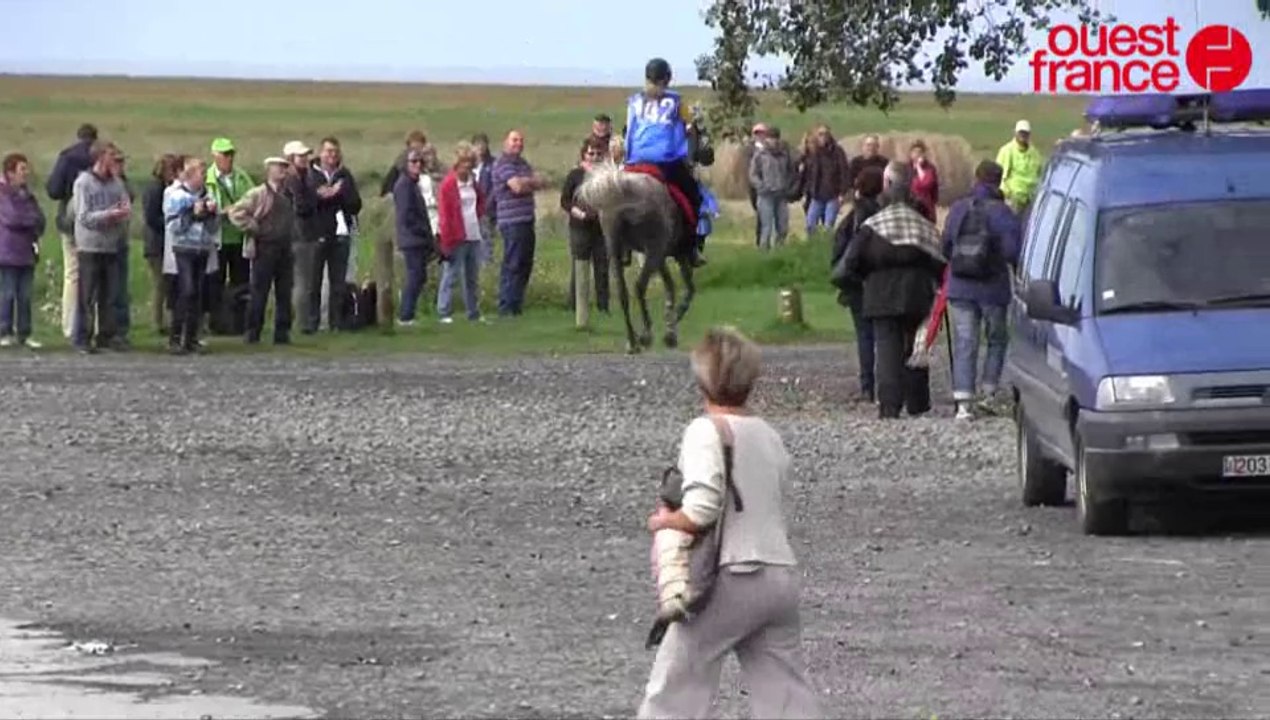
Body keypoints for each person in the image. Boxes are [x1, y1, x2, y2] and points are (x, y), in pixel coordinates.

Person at [639, 326, 822, 720]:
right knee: (784, 692)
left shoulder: (705, 430)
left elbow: (703, 508)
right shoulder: (769, 435)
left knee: (677, 683)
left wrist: (666, 521)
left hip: (733, 572)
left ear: (702, 380)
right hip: (779, 574)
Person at [842, 161, 946, 420]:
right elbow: (939, 261)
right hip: (917, 293)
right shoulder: (922, 224)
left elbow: (851, 261)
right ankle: (917, 403)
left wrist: (863, 279)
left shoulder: (874, 225)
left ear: (887, 186)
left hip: (881, 293)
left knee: (887, 348)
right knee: (915, 346)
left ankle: (890, 405)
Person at [941, 160, 1022, 420]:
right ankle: (989, 392)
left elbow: (945, 246)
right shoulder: (1003, 213)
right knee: (997, 339)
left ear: (976, 178)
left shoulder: (957, 208)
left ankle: (963, 400)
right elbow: (1013, 251)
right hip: (993, 288)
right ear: (999, 182)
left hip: (960, 286)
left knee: (966, 341)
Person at [623, 57, 705, 266]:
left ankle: (622, 245)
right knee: (693, 195)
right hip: (665, 160)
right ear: (667, 79)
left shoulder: (633, 101)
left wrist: (627, 160)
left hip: (635, 160)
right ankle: (691, 247)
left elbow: (630, 131)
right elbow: (690, 127)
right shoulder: (677, 101)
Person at [227, 157, 303, 345]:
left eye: (285, 168)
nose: (283, 171)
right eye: (279, 168)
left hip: (285, 247)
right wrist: (252, 226)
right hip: (264, 247)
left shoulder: (289, 194)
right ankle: (253, 332)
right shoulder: (258, 193)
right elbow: (236, 212)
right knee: (259, 291)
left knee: (284, 292)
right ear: (269, 170)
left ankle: (282, 332)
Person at [70, 140, 132, 354]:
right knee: (87, 295)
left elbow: (125, 205)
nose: (114, 161)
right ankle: (82, 337)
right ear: (99, 158)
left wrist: (122, 214)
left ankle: (106, 335)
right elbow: (84, 216)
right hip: (90, 246)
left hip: (112, 245)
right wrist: (109, 215)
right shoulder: (83, 183)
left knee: (110, 295)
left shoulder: (117, 183)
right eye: (110, 156)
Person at [830, 166, 885, 404]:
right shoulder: (886, 215)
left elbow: (838, 251)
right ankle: (888, 383)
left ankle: (867, 387)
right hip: (883, 282)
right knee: (886, 336)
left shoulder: (852, 219)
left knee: (864, 336)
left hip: (856, 285)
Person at [303, 136, 362, 333]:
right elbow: (311, 201)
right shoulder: (312, 175)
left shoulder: (345, 175)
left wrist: (336, 194)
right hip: (319, 233)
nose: (332, 155)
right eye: (328, 151)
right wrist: (327, 196)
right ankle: (312, 321)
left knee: (338, 282)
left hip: (342, 233)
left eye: (335, 151)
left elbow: (355, 204)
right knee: (314, 281)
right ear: (321, 153)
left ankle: (336, 322)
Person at [162, 156, 220, 355]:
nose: (204, 177)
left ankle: (192, 338)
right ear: (191, 175)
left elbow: (214, 227)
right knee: (186, 291)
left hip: (202, 248)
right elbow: (173, 227)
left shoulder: (209, 195)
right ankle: (175, 337)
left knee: (198, 293)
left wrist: (211, 214)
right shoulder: (176, 196)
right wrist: (191, 214)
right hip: (184, 248)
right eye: (201, 173)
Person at [46, 123, 97, 339]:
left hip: (70, 219)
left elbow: (53, 190)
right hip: (96, 223)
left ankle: (69, 325)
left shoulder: (67, 157)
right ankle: (93, 326)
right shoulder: (98, 155)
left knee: (72, 274)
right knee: (96, 276)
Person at [491, 129, 547, 318]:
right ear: (505, 142)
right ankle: (506, 306)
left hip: (526, 219)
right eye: (514, 140)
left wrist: (527, 182)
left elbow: (540, 182)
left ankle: (517, 304)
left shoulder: (522, 164)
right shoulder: (502, 164)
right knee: (513, 263)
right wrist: (529, 182)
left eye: (521, 140)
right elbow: (517, 186)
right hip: (511, 221)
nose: (518, 144)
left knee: (525, 263)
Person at [204, 137, 255, 335]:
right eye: (225, 154)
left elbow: (252, 198)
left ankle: (239, 323)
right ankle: (217, 322)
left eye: (231, 154)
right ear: (215, 156)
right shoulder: (207, 177)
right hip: (216, 238)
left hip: (238, 237)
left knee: (241, 282)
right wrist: (221, 212)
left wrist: (240, 210)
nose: (229, 158)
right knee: (215, 282)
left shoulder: (242, 177)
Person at [435, 143, 486, 324]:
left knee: (472, 277)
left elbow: (480, 201)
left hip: (473, 232)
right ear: (457, 162)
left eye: (470, 162)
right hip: (456, 235)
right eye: (464, 161)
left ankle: (473, 311)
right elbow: (445, 214)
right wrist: (447, 240)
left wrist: (478, 215)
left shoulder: (473, 181)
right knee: (451, 274)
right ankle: (443, 311)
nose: (467, 165)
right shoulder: (449, 184)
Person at [0, 153, 47, 349]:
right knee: (8, 294)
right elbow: (12, 219)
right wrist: (30, 221)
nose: (26, 173)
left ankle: (24, 333)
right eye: (22, 169)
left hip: (26, 251)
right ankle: (5, 330)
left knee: (25, 295)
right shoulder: (3, 195)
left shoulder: (28, 196)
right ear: (10, 173)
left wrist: (30, 222)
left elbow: (40, 219)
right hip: (7, 252)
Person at [561, 139, 609, 323]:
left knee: (602, 267)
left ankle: (603, 306)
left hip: (601, 227)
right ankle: (575, 305)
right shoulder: (575, 175)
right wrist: (579, 213)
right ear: (584, 154)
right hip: (580, 226)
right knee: (579, 265)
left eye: (598, 154)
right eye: (591, 153)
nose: (594, 157)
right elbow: (565, 200)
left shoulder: (606, 175)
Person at [392, 148, 436, 326]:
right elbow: (406, 216)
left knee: (419, 276)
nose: (418, 165)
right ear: (405, 164)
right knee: (415, 276)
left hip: (417, 238)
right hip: (411, 238)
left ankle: (408, 312)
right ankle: (405, 315)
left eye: (420, 162)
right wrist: (424, 231)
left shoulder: (412, 184)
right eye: (413, 162)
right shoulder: (403, 185)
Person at [142, 153, 183, 335]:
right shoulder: (155, 189)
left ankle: (167, 319)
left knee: (167, 283)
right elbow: (151, 217)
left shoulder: (164, 188)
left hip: (163, 242)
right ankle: (158, 322)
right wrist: (171, 223)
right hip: (156, 244)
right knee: (160, 283)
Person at [748, 127, 794, 250]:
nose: (773, 141)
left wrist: (787, 185)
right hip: (765, 196)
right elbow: (753, 174)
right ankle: (764, 254)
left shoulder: (785, 154)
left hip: (781, 195)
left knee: (783, 228)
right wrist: (761, 186)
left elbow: (791, 171)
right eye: (770, 139)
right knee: (766, 228)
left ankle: (779, 252)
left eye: (775, 139)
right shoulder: (760, 155)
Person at [801, 124, 849, 234]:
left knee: (828, 226)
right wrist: (806, 191)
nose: (823, 137)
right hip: (817, 195)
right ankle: (812, 246)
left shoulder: (837, 152)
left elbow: (844, 172)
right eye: (820, 134)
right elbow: (808, 174)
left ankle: (826, 247)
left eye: (825, 134)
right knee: (810, 225)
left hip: (833, 195)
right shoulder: (814, 152)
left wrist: (842, 192)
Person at [996, 119, 1043, 213]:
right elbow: (999, 175)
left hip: (1030, 199)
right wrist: (1008, 194)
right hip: (1012, 200)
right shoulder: (1007, 151)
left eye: (1025, 133)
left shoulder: (1035, 154)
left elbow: (1040, 174)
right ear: (1015, 133)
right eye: (1021, 132)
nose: (1023, 135)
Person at [471, 133, 497, 265]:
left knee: (486, 240)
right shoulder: (469, 165)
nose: (480, 147)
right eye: (477, 145)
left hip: (486, 210)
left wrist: (487, 206)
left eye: (483, 144)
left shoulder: (492, 165)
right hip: (470, 210)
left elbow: (495, 187)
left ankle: (487, 267)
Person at [908, 140, 939, 224]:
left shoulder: (929, 169)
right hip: (910, 207)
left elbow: (927, 184)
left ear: (924, 154)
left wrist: (918, 166)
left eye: (920, 152)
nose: (917, 154)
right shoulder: (906, 168)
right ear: (910, 154)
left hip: (926, 207)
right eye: (915, 152)